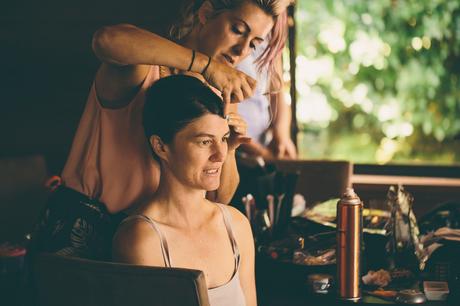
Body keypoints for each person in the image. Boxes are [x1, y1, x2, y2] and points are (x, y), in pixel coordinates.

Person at [32, 0, 288, 260]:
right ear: (206, 13)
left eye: (254, 43)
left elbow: (219, 197)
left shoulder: (219, 96)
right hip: (84, 233)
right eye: (237, 29)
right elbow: (107, 39)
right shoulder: (141, 70)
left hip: (153, 240)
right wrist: (206, 65)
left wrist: (229, 149)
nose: (242, 50)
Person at [113, 74, 256, 306]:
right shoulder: (142, 239)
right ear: (161, 146)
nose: (220, 155)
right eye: (204, 142)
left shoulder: (236, 225)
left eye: (224, 139)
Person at [236, 9, 297, 161]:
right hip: (236, 148)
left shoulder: (271, 34)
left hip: (262, 146)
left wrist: (281, 134)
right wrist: (263, 154)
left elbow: (276, 91)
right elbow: (223, 116)